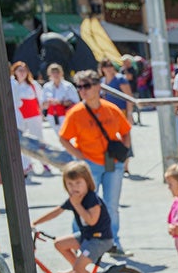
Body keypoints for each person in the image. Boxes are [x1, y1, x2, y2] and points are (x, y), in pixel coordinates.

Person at [58, 69, 131, 256]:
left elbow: (125, 130)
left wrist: (124, 150)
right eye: (79, 87)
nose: (83, 90)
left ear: (98, 86)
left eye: (87, 86)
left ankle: (113, 241)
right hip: (89, 166)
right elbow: (64, 138)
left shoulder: (111, 109)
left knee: (111, 203)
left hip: (112, 162)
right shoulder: (75, 113)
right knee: (81, 203)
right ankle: (80, 240)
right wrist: (80, 157)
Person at [30, 161, 114, 273]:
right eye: (70, 184)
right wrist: (34, 222)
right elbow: (57, 211)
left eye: (78, 183)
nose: (74, 188)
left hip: (100, 239)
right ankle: (78, 271)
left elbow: (91, 220)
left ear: (87, 182)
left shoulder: (91, 199)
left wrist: (76, 205)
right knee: (59, 244)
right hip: (87, 236)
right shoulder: (74, 199)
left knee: (80, 265)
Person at [10, 61, 46, 176]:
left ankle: (44, 161)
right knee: (22, 141)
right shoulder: (12, 83)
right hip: (19, 117)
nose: (22, 73)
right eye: (19, 70)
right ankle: (26, 164)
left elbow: (41, 99)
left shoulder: (33, 84)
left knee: (38, 139)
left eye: (24, 70)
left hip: (33, 116)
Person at [40, 63, 78, 129]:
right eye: (53, 72)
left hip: (65, 114)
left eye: (57, 72)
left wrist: (60, 102)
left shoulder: (68, 86)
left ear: (61, 73)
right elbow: (42, 103)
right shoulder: (47, 87)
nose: (55, 74)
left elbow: (76, 102)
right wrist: (49, 102)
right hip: (51, 116)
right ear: (49, 74)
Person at [99, 60, 134, 126]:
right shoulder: (102, 80)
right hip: (107, 111)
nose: (108, 68)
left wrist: (129, 114)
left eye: (110, 66)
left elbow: (129, 97)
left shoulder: (120, 79)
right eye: (106, 66)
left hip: (121, 110)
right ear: (102, 69)